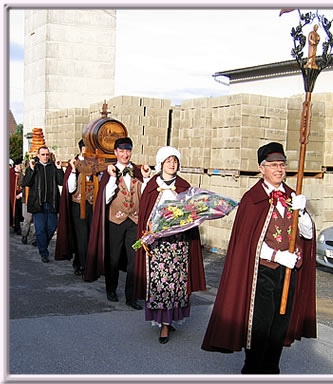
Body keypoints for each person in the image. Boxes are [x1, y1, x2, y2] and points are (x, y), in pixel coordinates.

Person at [201, 142, 317, 374]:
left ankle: (272, 369)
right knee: (260, 326)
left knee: (279, 325)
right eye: (273, 165)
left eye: (282, 165)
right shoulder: (252, 198)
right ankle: (252, 369)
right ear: (261, 168)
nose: (279, 169)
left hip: (288, 273)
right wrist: (277, 256)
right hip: (261, 273)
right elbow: (247, 244)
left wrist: (302, 212)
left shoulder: (292, 196)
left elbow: (308, 234)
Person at [134, 146, 207, 344]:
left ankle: (168, 320)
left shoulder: (183, 186)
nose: (172, 164)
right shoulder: (151, 186)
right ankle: (163, 324)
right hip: (158, 245)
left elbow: (192, 211)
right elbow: (145, 213)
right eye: (168, 161)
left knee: (176, 284)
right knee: (161, 284)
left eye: (174, 161)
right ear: (161, 163)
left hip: (179, 244)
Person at [84, 137, 151, 310]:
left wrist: (146, 178)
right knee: (113, 257)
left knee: (134, 260)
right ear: (115, 153)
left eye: (127, 151)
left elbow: (145, 196)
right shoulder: (109, 172)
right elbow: (105, 199)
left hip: (134, 221)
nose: (125, 154)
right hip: (115, 220)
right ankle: (111, 289)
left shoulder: (137, 171)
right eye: (121, 151)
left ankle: (131, 296)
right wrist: (113, 178)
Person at [55, 139, 94, 276]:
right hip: (78, 205)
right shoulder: (74, 163)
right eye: (88, 148)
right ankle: (84, 265)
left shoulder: (96, 163)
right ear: (82, 149)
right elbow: (70, 188)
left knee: (90, 235)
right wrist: (72, 171)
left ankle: (80, 261)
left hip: (92, 205)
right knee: (82, 236)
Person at [23, 146, 64, 263]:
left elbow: (61, 181)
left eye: (47, 154)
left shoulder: (53, 167)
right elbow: (26, 182)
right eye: (43, 154)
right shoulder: (34, 167)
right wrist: (31, 169)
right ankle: (43, 252)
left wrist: (59, 168)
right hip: (38, 203)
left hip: (52, 203)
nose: (45, 157)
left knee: (51, 227)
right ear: (38, 155)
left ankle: (41, 242)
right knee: (40, 229)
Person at [10, 158, 24, 235]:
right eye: (20, 165)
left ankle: (17, 227)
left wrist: (21, 194)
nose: (21, 166)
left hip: (19, 195)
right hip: (11, 195)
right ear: (16, 165)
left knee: (18, 211)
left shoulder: (21, 174)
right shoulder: (11, 173)